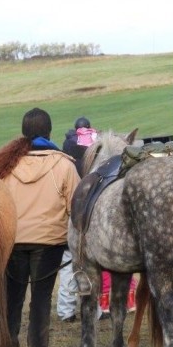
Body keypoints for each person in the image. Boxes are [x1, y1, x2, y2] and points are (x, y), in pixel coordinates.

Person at [0, 108, 80, 347]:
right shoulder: (64, 165)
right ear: (49, 131)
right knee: (41, 296)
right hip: (49, 242)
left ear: (23, 132)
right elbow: (76, 208)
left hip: (12, 240)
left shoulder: (5, 164)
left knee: (11, 296)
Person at [57, 116, 98, 322]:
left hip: (72, 209)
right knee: (94, 264)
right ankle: (97, 310)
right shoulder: (96, 140)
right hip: (93, 208)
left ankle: (66, 311)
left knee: (67, 265)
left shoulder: (68, 144)